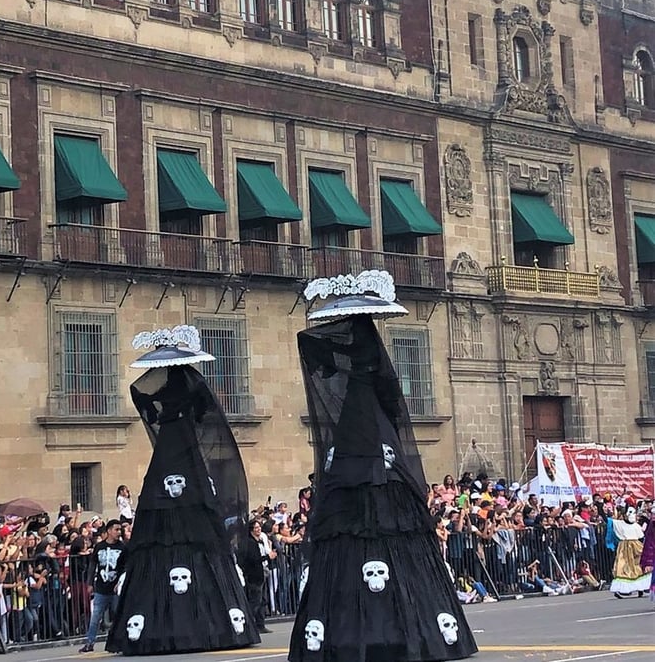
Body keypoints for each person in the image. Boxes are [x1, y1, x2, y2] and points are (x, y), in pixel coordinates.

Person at [288, 271, 477, 662]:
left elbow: (330, 358)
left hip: (363, 433)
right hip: (366, 431)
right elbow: (387, 394)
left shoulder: (363, 353)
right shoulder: (369, 354)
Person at [105, 325, 259, 655]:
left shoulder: (164, 392)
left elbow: (146, 403)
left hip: (171, 454)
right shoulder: (192, 390)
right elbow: (203, 412)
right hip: (184, 452)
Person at [78, 520, 125, 653]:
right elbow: (93, 565)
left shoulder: (122, 547)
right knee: (95, 616)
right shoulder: (99, 547)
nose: (119, 532)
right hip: (101, 587)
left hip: (116, 588)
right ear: (109, 531)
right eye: (116, 529)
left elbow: (125, 567)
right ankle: (90, 642)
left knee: (118, 615)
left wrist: (119, 582)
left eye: (120, 530)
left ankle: (118, 642)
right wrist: (90, 583)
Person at [608, 506, 649, 598]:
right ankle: (622, 589)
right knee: (622, 567)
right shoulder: (619, 524)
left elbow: (641, 537)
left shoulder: (636, 526)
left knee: (638, 567)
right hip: (624, 548)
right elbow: (608, 520)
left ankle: (640, 587)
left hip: (636, 547)